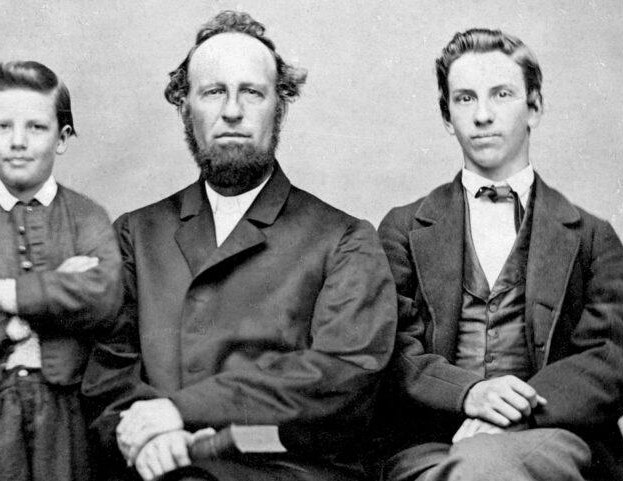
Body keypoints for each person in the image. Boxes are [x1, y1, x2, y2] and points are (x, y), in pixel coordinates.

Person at [82, 11, 396, 481]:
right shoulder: (135, 234)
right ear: (185, 107)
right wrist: (150, 438)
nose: (232, 110)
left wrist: (181, 415)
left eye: (252, 92)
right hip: (151, 468)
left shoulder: (344, 239)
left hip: (287, 468)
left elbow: (341, 379)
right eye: (213, 92)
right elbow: (109, 378)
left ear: (280, 107)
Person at [373, 29, 623, 481]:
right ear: (447, 117)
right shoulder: (403, 229)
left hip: (552, 437)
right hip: (429, 444)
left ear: (534, 107)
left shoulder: (591, 236)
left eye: (501, 94)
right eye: (464, 99)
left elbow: (614, 359)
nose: (482, 115)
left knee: (481, 471)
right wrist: (468, 394)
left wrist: (521, 409)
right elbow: (388, 349)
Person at [0, 61, 123, 481]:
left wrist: (0, 291)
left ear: (62, 137)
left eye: (36, 127)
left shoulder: (87, 218)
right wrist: (19, 324)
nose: (18, 142)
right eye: (2, 127)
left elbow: (104, 296)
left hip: (70, 406)